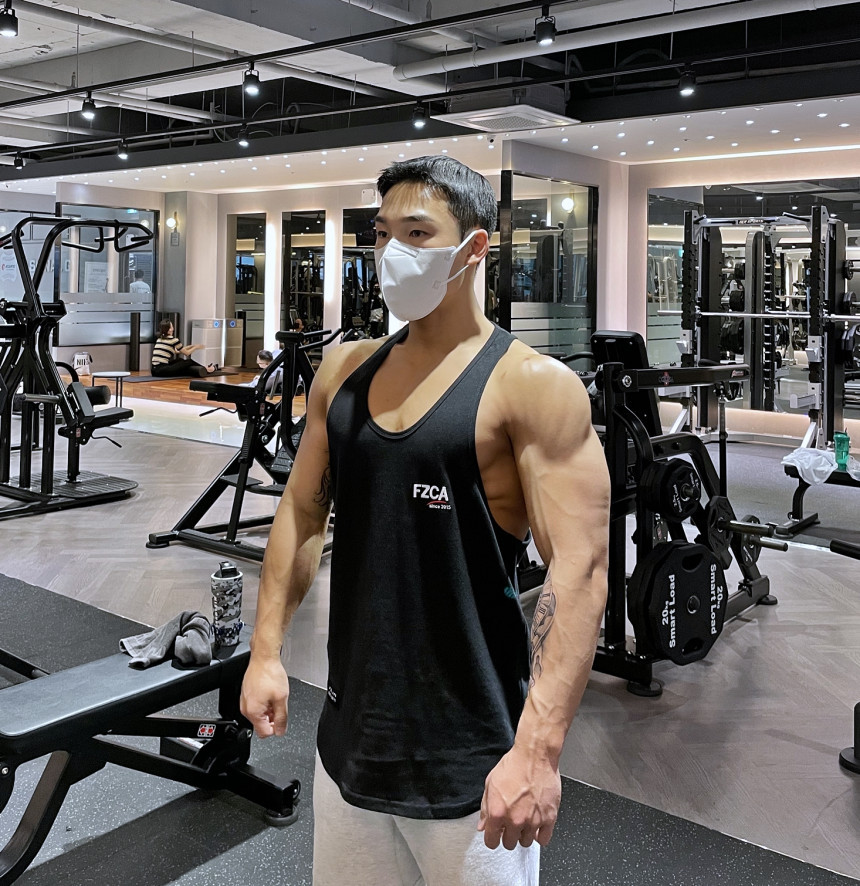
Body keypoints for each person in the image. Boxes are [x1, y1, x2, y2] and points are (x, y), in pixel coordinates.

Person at [240, 155, 610, 886]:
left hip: (474, 762)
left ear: (474, 248)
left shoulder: (532, 387)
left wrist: (538, 751)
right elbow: (303, 512)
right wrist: (265, 651)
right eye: (383, 234)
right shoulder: (343, 373)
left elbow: (581, 569)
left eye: (416, 233)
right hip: (349, 743)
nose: (392, 253)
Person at [150, 319, 218, 377]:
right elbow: (187, 353)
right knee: (189, 361)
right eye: (172, 326)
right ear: (170, 329)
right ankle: (207, 369)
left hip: (154, 370)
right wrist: (196, 347)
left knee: (180, 360)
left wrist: (192, 346)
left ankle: (203, 368)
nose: (173, 328)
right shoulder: (173, 340)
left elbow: (178, 351)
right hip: (162, 370)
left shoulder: (159, 339)